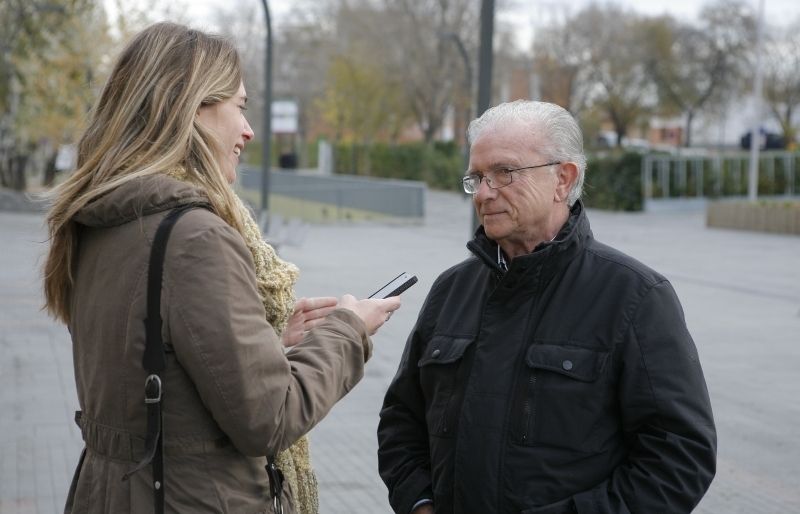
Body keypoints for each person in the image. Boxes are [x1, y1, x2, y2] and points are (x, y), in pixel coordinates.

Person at [42, 22, 400, 514]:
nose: (248, 131)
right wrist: (348, 330)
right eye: (240, 107)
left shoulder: (99, 223)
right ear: (190, 107)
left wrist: (270, 349)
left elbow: (159, 380)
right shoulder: (195, 238)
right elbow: (269, 418)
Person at [377, 100, 716, 514]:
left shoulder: (634, 296)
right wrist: (420, 503)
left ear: (563, 178)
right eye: (477, 177)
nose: (484, 192)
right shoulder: (452, 290)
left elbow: (679, 459)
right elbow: (401, 421)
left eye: (505, 172)